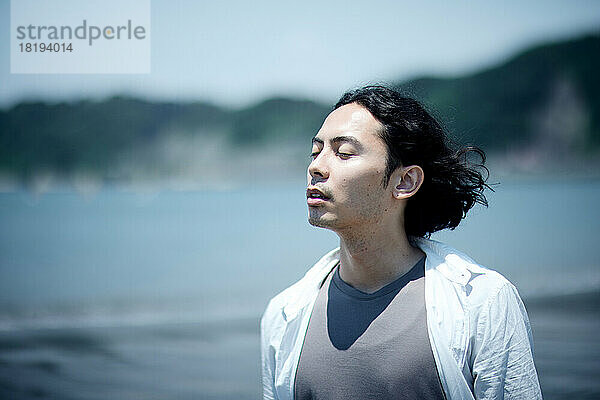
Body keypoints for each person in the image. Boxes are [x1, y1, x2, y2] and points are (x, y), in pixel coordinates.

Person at [260, 85, 542, 400]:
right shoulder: (284, 314)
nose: (316, 167)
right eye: (316, 151)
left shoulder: (482, 303)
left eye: (344, 153)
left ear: (405, 181)